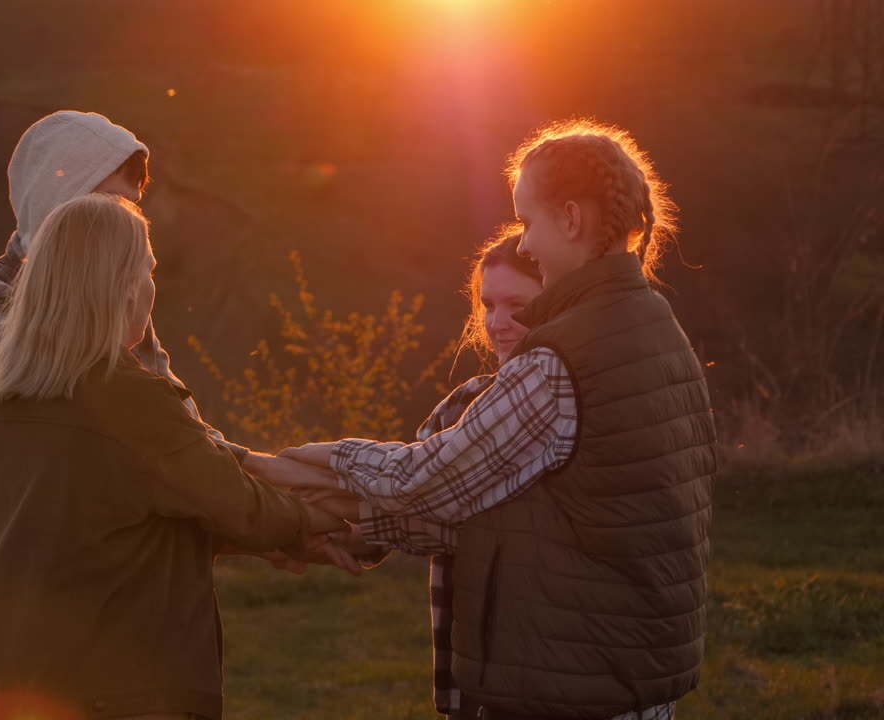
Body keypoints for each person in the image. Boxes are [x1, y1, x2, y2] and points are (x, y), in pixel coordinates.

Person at [265, 119, 717, 720]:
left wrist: (296, 463)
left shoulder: (563, 361)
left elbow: (426, 481)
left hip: (570, 682)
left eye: (528, 221)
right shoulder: (653, 324)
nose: (524, 244)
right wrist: (350, 520)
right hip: (626, 677)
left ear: (572, 219)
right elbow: (519, 516)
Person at [0, 111, 292, 720]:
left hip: (109, 599)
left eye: (130, 208)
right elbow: (108, 417)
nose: (121, 224)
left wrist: (279, 491)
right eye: (107, 204)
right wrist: (285, 506)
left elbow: (183, 441)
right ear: (56, 198)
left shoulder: (115, 304)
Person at [0, 193, 355, 720]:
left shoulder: (7, 397)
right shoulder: (127, 395)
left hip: (14, 675)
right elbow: (236, 502)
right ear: (121, 286)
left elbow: (110, 522)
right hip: (119, 682)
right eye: (147, 270)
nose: (153, 287)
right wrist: (334, 521)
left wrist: (270, 535)